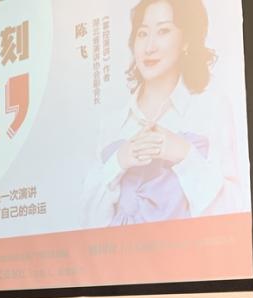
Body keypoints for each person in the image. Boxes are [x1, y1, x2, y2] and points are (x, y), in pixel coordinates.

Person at [82, 0, 244, 227]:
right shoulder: (111, 124)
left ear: (186, 40)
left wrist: (185, 154)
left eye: (163, 31)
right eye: (142, 34)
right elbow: (87, 223)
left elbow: (232, 209)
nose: (149, 47)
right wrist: (118, 162)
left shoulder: (210, 108)